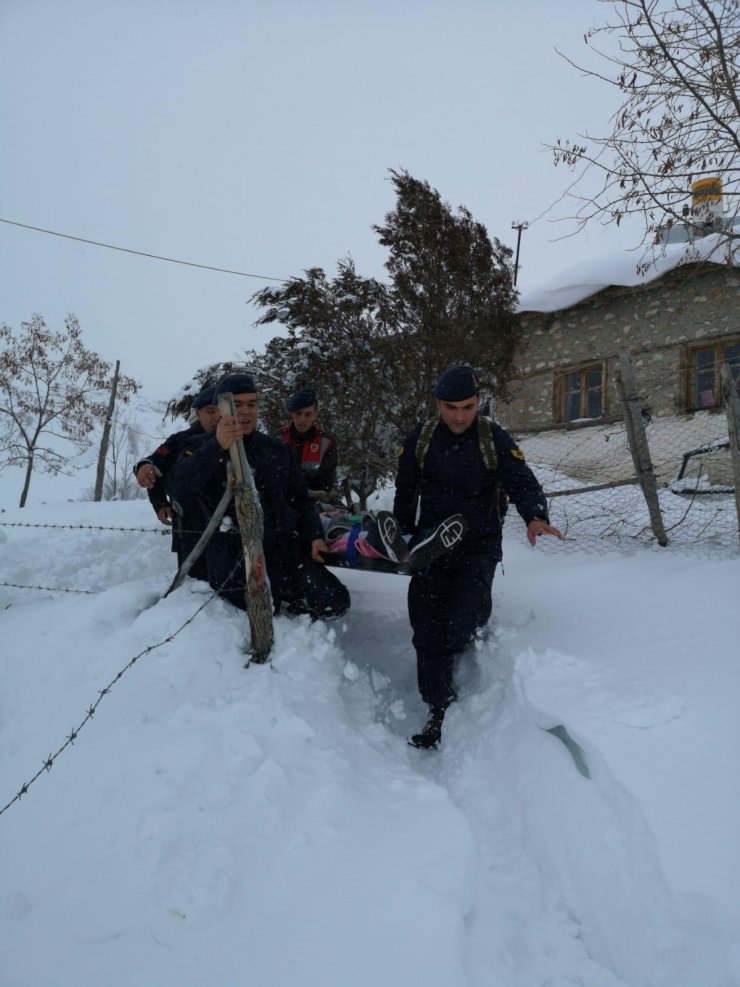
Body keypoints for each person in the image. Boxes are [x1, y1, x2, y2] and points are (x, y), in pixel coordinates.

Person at [393, 365, 563, 750]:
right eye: (451, 408)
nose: (459, 416)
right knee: (426, 626)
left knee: (462, 620)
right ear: (438, 404)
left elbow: (521, 481)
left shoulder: (492, 437)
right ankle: (437, 707)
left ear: (478, 402)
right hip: (431, 544)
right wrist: (402, 535)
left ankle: (461, 644)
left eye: (467, 407)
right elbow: (405, 490)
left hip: (477, 544)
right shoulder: (421, 438)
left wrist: (535, 515)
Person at [167, 373, 350, 621]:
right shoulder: (197, 446)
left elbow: (301, 500)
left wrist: (315, 536)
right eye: (237, 404)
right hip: (232, 558)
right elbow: (178, 489)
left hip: (281, 550)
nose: (245, 411)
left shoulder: (276, 449)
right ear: (220, 409)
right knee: (260, 606)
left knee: (335, 602)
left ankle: (294, 614)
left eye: (251, 404)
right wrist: (217, 446)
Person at [134, 386, 221, 578]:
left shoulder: (240, 439)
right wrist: (160, 503)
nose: (217, 416)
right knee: (194, 584)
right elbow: (154, 467)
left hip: (229, 530)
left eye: (221, 410)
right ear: (198, 412)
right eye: (211, 411)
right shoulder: (181, 440)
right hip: (190, 528)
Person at [275, 387, 338, 497]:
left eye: (308, 414)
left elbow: (326, 484)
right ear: (292, 413)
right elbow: (271, 478)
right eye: (298, 413)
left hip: (315, 501)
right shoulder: (277, 439)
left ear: (315, 415)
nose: (302, 419)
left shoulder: (327, 443)